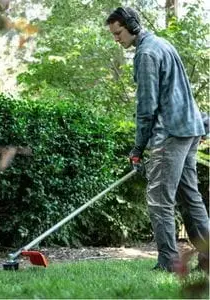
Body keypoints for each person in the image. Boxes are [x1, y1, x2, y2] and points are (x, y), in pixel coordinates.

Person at [105, 7, 209, 272]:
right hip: (189, 129)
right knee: (190, 197)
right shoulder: (163, 44)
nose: (116, 39)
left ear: (131, 26)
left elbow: (147, 107)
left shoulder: (147, 54)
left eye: (118, 33)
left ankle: (169, 263)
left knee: (159, 200)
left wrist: (138, 148)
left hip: (170, 134)